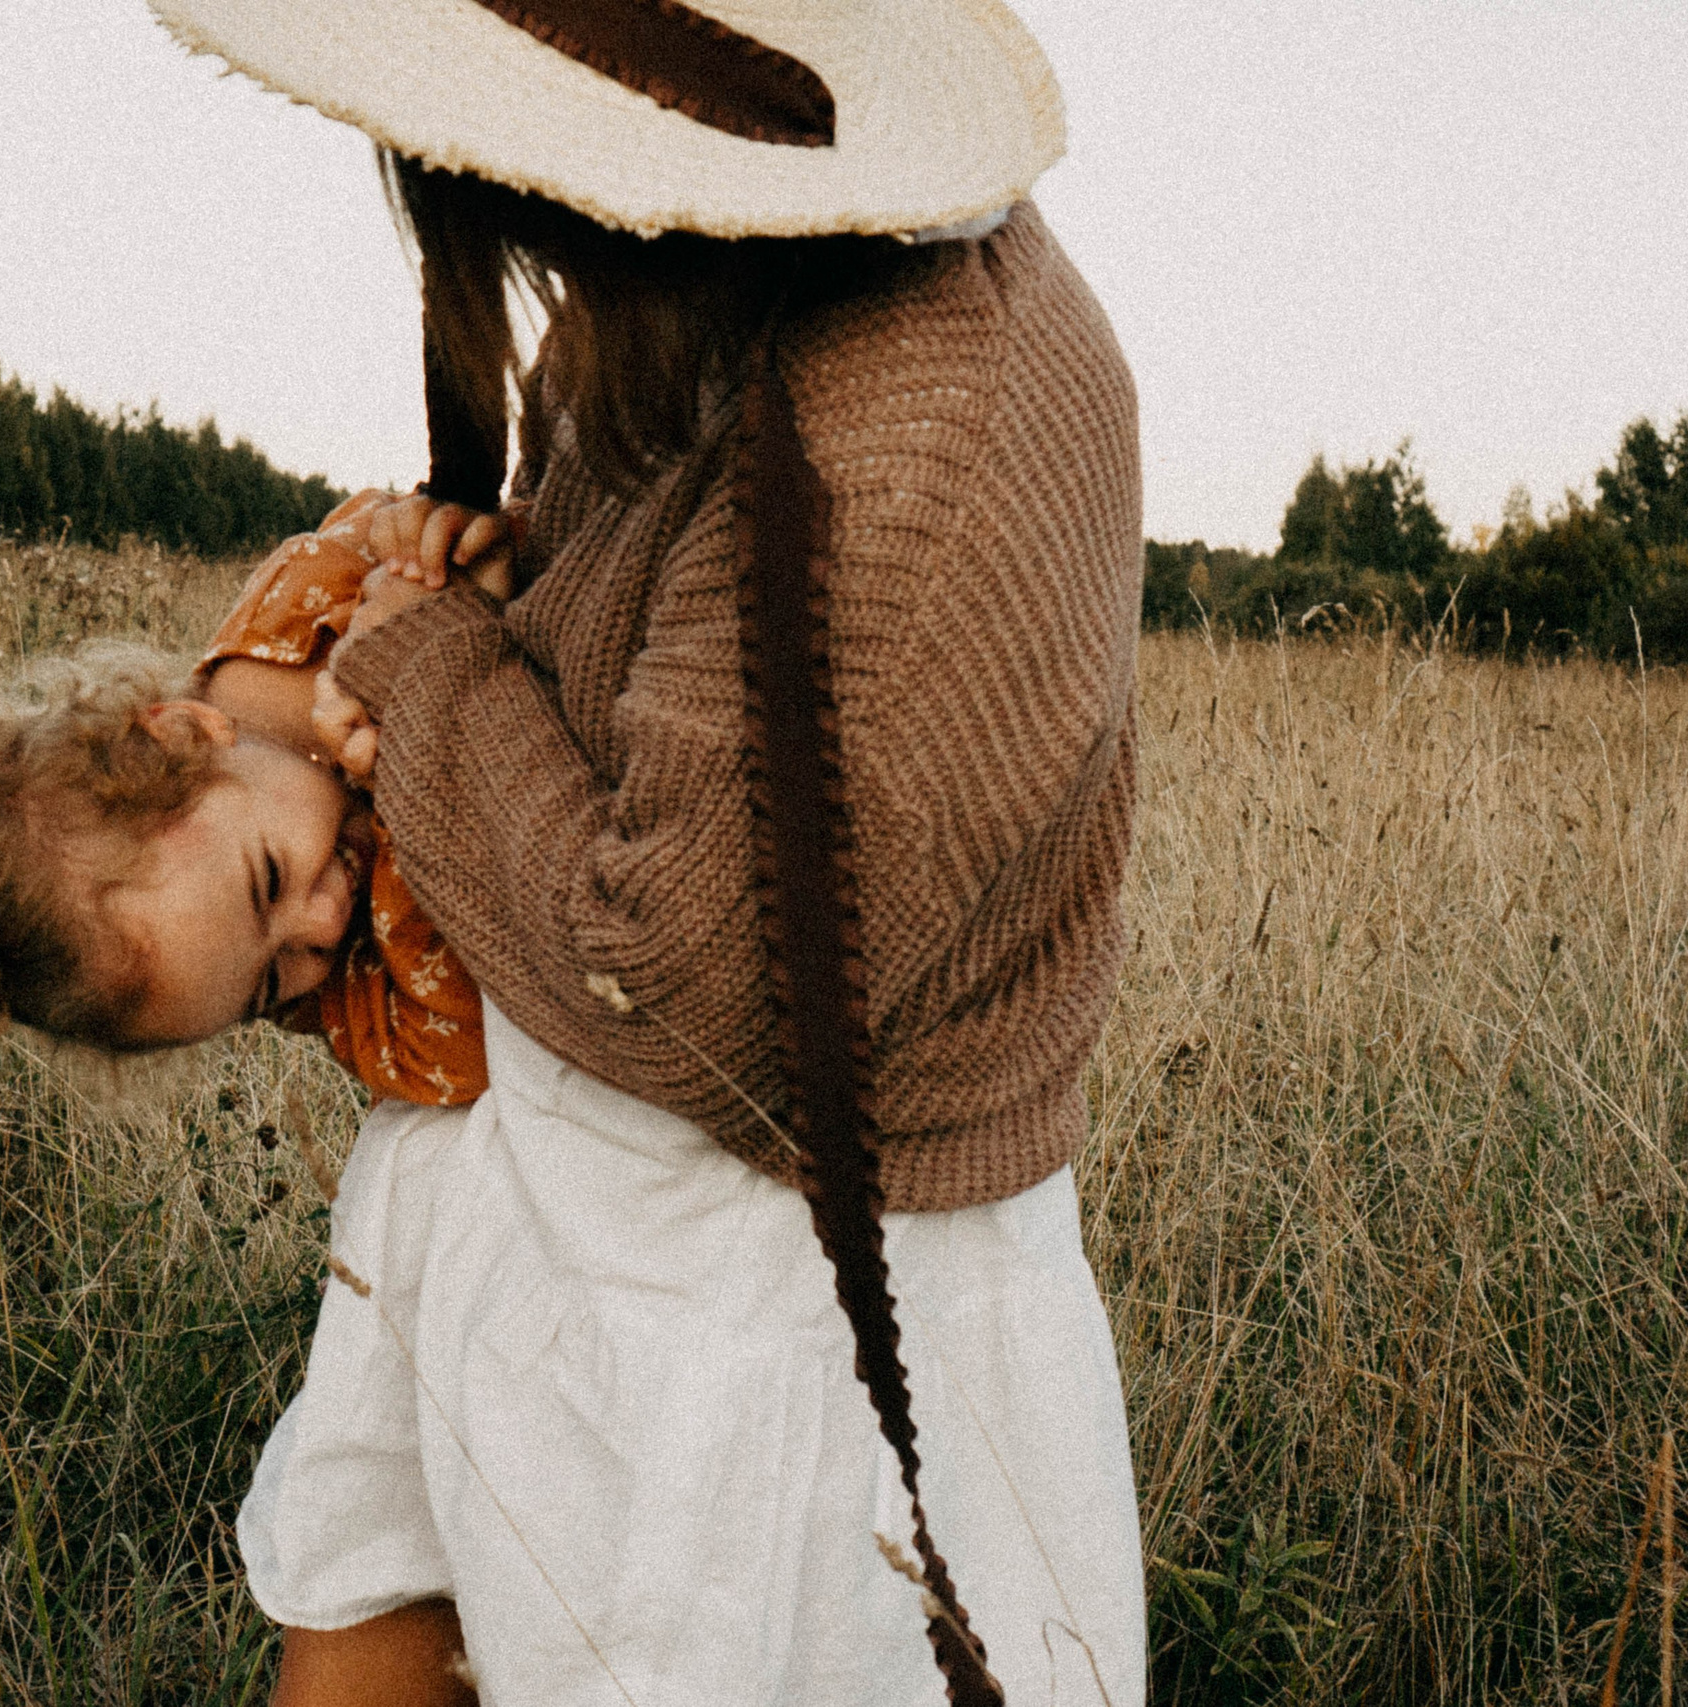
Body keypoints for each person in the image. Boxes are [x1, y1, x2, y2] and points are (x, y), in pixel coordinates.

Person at [152, 4, 1150, 1703]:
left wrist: (425, 661)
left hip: (778, 1307)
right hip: (570, 1192)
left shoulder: (914, 432)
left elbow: (686, 975)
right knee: (391, 1600)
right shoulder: (689, 285)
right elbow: (618, 642)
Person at [0, 488, 509, 1106]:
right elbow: (467, 1057)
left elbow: (465, 513)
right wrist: (424, 714)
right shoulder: (327, 985)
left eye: (269, 879)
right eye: (268, 986)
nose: (322, 927)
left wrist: (432, 542)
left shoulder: (304, 600)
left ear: (187, 732)